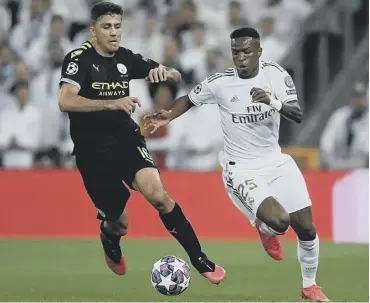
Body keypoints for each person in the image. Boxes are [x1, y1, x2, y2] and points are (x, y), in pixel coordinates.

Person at [144, 27, 329, 302]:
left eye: (246, 52)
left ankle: (310, 286)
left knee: (307, 229)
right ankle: (265, 230)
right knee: (279, 222)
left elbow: (297, 114)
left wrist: (272, 101)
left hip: (275, 161)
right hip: (240, 166)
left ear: (259, 52)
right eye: (235, 52)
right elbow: (189, 99)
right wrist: (168, 116)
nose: (240, 58)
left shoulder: (276, 75)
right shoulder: (220, 82)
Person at [58, 2, 226, 284]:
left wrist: (168, 71)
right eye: (106, 27)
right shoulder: (78, 59)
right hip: (92, 152)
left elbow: (151, 67)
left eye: (117, 27)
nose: (113, 33)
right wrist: (113, 102)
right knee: (119, 222)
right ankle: (109, 239)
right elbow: (65, 100)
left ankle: (200, 259)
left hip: (125, 139)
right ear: (93, 31)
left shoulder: (125, 58)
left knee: (158, 194)